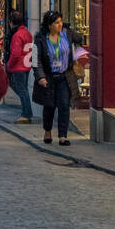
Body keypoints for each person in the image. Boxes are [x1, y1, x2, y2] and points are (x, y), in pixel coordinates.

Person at [32, 10, 81, 146]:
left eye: (60, 22)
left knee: (64, 105)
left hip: (64, 76)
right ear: (49, 25)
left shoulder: (66, 34)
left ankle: (63, 136)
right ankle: (47, 131)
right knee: (49, 106)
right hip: (49, 77)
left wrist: (72, 33)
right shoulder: (40, 39)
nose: (60, 25)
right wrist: (40, 77)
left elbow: (80, 39)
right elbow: (36, 61)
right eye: (56, 23)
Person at [6, 10, 34, 124]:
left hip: (19, 66)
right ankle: (27, 112)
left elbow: (15, 53)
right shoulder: (27, 33)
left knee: (21, 90)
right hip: (26, 64)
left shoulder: (17, 35)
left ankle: (26, 113)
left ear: (11, 22)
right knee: (23, 89)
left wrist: (9, 65)